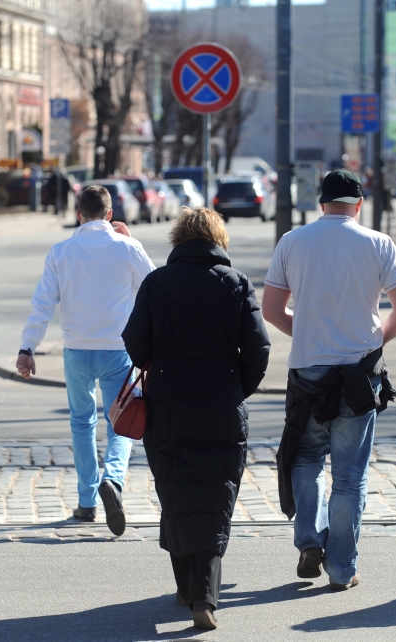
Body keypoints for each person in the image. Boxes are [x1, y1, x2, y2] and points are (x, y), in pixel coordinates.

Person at [261, 169, 396, 593]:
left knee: (307, 457)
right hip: (358, 375)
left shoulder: (292, 242)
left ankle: (311, 541)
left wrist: (308, 331)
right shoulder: (378, 243)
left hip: (308, 370)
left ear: (322, 202)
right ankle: (342, 569)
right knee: (349, 476)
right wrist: (374, 341)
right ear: (359, 204)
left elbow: (272, 310)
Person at [122, 207, 270, 632]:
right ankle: (204, 596)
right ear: (218, 239)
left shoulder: (156, 283)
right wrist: (234, 388)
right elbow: (258, 350)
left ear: (177, 239)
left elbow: (135, 344)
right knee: (213, 494)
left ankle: (187, 589)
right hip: (221, 404)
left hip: (166, 405)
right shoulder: (237, 283)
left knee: (175, 490)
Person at [16, 185, 155, 536]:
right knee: (122, 423)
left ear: (78, 214)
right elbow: (155, 287)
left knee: (81, 423)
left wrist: (27, 348)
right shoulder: (128, 247)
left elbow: (43, 303)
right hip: (117, 350)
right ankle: (114, 479)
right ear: (110, 214)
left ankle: (87, 500)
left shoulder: (62, 250)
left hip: (76, 350)